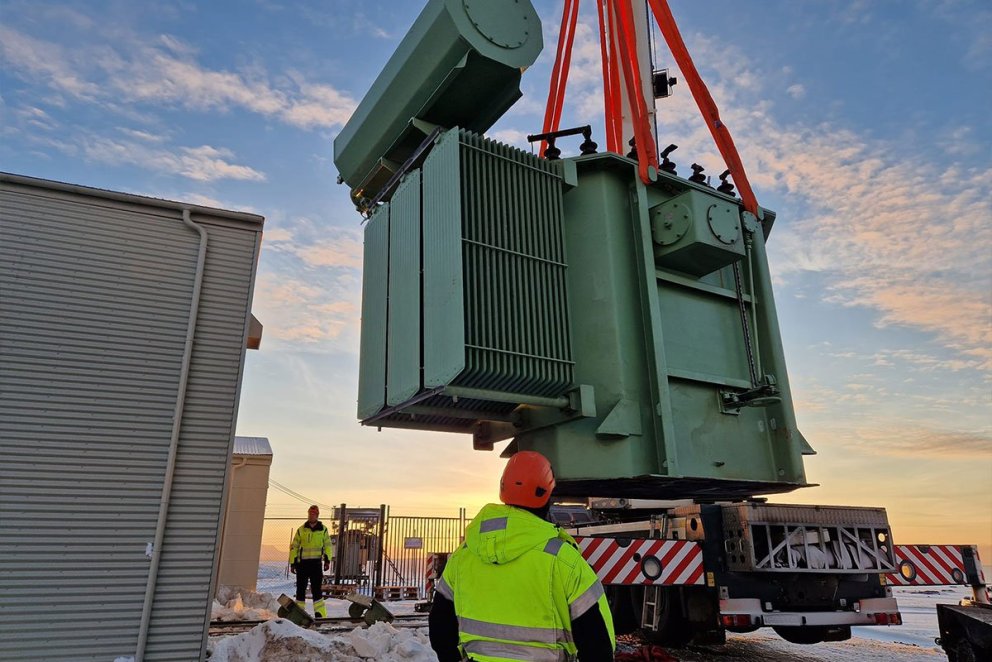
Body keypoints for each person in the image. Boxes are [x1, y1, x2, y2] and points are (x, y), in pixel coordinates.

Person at [429, 451, 616, 661]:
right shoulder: (563, 560)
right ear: (547, 495)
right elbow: (599, 645)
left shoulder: (463, 557)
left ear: (503, 490)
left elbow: (440, 630)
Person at [289, 505, 332, 618]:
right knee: (300, 589)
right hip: (302, 564)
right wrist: (293, 563)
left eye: (313, 514)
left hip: (316, 564)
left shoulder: (323, 530)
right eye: (309, 513)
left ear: (317, 515)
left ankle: (320, 614)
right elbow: (294, 547)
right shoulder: (301, 530)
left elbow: (328, 546)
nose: (311, 516)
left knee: (316, 589)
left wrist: (327, 560)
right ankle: (299, 613)